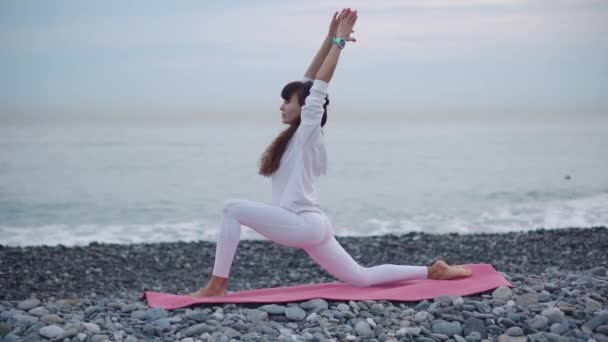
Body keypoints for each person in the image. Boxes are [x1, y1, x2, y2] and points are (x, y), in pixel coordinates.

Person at [187, 8, 472, 298]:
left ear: (306, 107)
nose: (282, 106)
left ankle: (217, 285)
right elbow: (309, 80)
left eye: (287, 102)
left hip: (301, 223)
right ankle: (432, 271)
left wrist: (340, 44)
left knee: (231, 209)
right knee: (361, 277)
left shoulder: (308, 132)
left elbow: (318, 88)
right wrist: (328, 38)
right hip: (313, 224)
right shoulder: (299, 135)